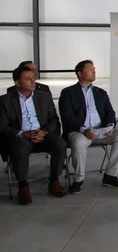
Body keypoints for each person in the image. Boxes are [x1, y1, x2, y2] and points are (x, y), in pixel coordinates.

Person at [0, 66, 67, 205]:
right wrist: (23, 134)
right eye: (28, 79)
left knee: (59, 143)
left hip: (42, 134)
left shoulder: (44, 97)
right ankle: (23, 186)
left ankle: (54, 180)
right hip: (21, 137)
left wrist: (44, 131)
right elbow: (3, 127)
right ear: (17, 83)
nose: (33, 82)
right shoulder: (4, 100)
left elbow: (53, 119)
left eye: (33, 78)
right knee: (19, 147)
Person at [59, 60, 118, 193]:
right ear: (79, 73)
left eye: (94, 69)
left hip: (100, 132)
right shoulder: (68, 92)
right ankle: (78, 179)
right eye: (90, 69)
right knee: (79, 141)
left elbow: (110, 112)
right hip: (79, 132)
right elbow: (67, 117)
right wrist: (84, 130)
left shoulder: (100, 92)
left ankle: (110, 175)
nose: (94, 71)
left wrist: (110, 125)